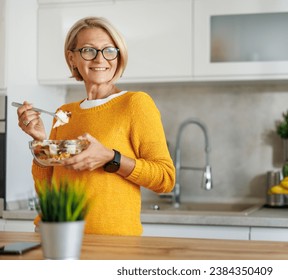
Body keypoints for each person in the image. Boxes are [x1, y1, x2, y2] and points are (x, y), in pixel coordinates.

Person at [15, 16, 175, 236]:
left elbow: (165, 179)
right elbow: (48, 190)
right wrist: (40, 142)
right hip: (57, 235)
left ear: (119, 56)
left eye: (109, 50)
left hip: (112, 243)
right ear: (72, 58)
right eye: (89, 50)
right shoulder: (64, 113)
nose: (100, 59)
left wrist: (112, 158)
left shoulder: (135, 104)